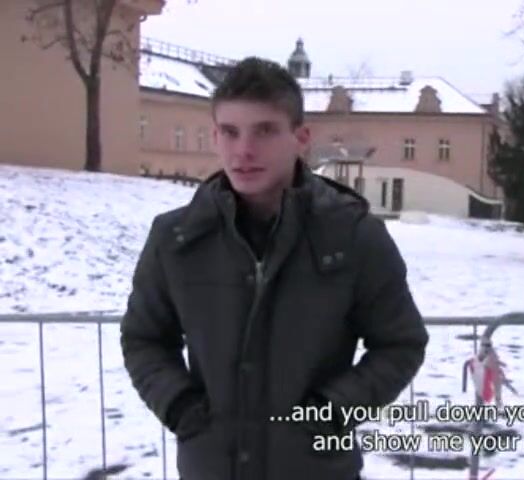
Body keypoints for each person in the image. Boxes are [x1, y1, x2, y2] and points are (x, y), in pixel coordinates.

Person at [120, 57, 429, 480]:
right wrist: (179, 406)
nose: (243, 150)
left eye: (264, 130)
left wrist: (332, 410)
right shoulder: (176, 238)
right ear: (215, 136)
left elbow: (400, 343)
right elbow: (144, 338)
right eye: (230, 132)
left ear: (301, 138)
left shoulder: (353, 235)